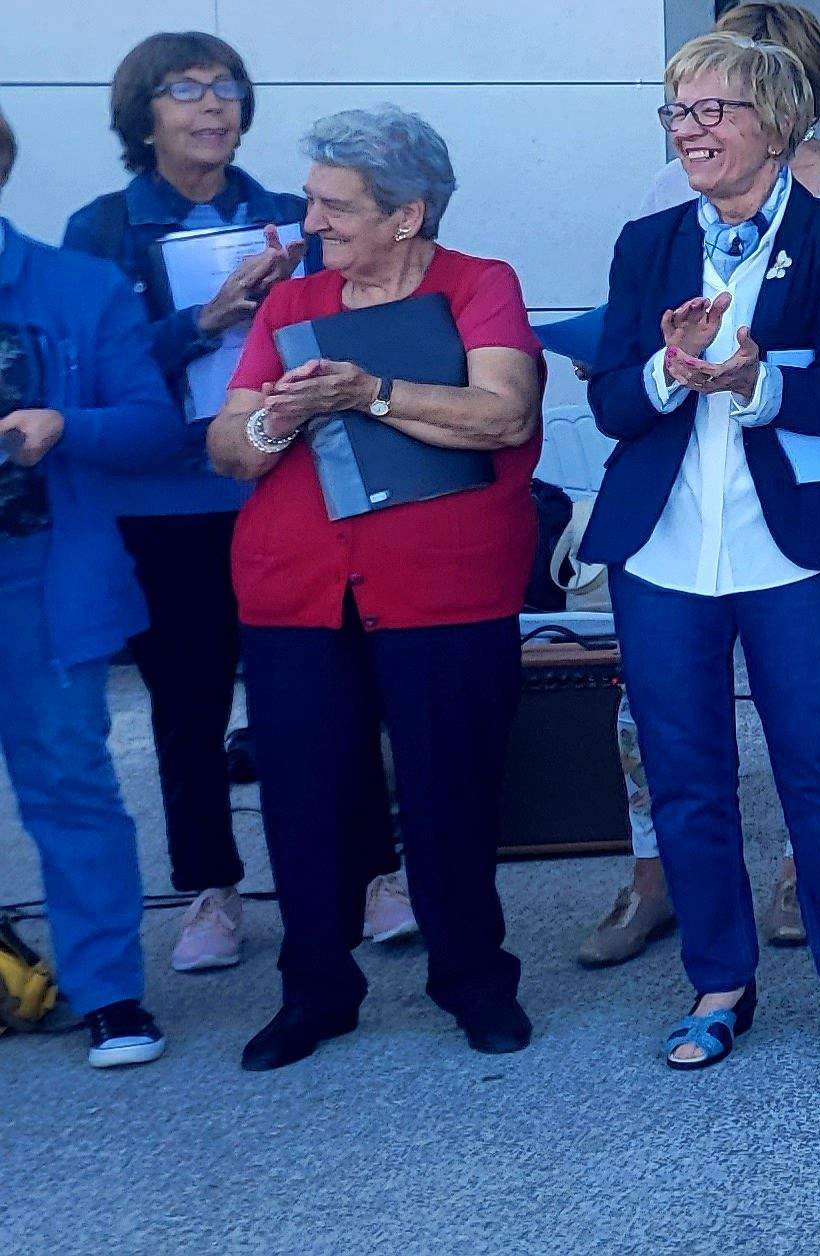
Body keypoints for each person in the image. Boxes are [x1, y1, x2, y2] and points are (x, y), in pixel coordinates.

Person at [584, 0, 820, 970]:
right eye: (678, 113)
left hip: (797, 530)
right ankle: (714, 985)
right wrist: (667, 368)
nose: (690, 130)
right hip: (662, 544)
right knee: (684, 774)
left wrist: (757, 379)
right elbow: (613, 397)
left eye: (714, 110)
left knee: (819, 768)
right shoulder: (648, 238)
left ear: (776, 119)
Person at [208, 106, 548, 1071]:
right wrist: (277, 422)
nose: (312, 223)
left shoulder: (479, 287)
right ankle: (316, 991)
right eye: (314, 201)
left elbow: (503, 414)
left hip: (446, 590)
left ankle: (473, 980)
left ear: (406, 215)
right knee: (305, 800)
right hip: (296, 593)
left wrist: (368, 394)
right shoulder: (287, 306)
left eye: (334, 206)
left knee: (453, 793)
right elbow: (228, 450)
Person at [64, 33, 405, 976]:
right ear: (144, 113)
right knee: (188, 702)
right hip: (164, 500)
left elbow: (368, 312)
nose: (211, 108)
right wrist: (204, 322)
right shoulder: (100, 230)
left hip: (293, 481)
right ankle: (210, 888)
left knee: (337, 685)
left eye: (226, 90)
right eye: (185, 91)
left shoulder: (297, 214)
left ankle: (375, 874)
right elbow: (86, 376)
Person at [0, 105, 190, 1069]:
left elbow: (152, 426)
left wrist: (63, 425)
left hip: (40, 579)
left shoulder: (79, 285)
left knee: (68, 782)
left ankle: (108, 992)